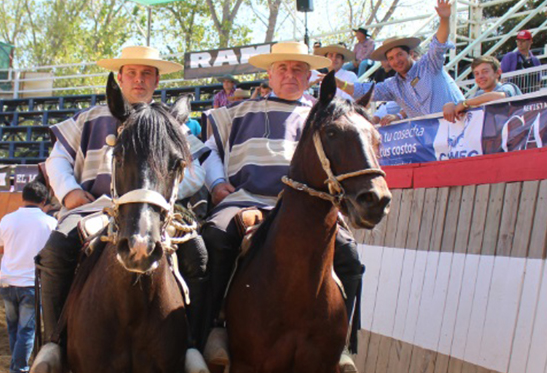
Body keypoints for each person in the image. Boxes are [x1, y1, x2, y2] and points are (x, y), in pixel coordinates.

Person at [32, 45, 207, 368]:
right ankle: (53, 343)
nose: (139, 80)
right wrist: (70, 193)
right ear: (121, 78)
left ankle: (192, 345)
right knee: (56, 250)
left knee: (198, 254)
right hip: (91, 207)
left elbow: (199, 172)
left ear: (156, 80)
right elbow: (56, 158)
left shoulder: (169, 123)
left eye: (146, 74)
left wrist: (167, 195)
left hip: (156, 212)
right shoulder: (89, 117)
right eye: (132, 73)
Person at [201, 41, 364, 370]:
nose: (290, 75)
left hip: (308, 210)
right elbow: (208, 153)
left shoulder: (322, 118)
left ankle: (342, 341)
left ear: (309, 77)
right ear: (269, 75)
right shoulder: (236, 113)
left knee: (349, 255)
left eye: (298, 70)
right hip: (245, 201)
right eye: (283, 69)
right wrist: (218, 184)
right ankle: (209, 331)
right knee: (216, 240)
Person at [336, 0, 465, 126]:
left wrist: (444, 19)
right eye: (391, 58)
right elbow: (363, 90)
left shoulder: (428, 65)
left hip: (459, 126)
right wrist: (338, 83)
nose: (396, 61)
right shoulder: (392, 85)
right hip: (431, 141)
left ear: (410, 54)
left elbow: (439, 44)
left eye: (399, 55)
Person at [0, 181, 57, 373]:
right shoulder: (50, 223)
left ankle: (16, 366)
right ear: (44, 200)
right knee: (27, 331)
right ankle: (19, 369)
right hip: (31, 283)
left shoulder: (7, 219)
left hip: (7, 281)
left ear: (23, 198)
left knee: (13, 328)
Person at [443, 55, 522, 122]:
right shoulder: (478, 95)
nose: (480, 76)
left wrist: (465, 103)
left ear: (498, 73)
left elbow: (498, 97)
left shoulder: (509, 87)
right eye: (476, 74)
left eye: (485, 71)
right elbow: (461, 105)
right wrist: (451, 105)